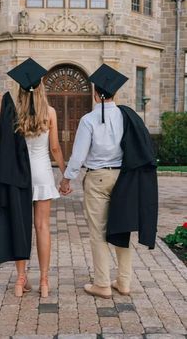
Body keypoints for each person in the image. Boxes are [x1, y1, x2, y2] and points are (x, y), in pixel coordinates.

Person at [60, 64, 158, 299]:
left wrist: (66, 179)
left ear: (95, 93)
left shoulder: (88, 119)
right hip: (124, 178)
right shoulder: (127, 116)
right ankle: (123, 282)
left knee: (99, 232)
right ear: (116, 94)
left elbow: (79, 155)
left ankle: (102, 284)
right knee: (122, 227)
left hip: (97, 178)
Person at [0, 58, 66, 299]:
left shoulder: (12, 111)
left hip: (18, 174)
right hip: (43, 173)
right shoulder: (50, 112)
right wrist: (65, 174)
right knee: (43, 227)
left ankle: (21, 280)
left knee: (20, 225)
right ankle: (44, 282)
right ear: (41, 88)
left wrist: (1, 107)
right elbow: (55, 149)